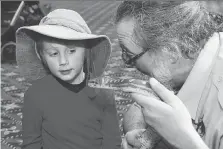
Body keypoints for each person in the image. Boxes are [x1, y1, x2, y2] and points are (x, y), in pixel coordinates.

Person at [115, 1, 223, 149]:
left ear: (172, 51)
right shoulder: (174, 72)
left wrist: (183, 139)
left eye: (130, 55)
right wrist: (139, 133)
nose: (126, 63)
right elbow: (138, 108)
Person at [16, 9, 122, 149]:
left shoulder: (103, 92)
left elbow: (112, 142)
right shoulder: (35, 94)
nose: (63, 61)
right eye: (53, 53)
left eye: (71, 51)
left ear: (86, 50)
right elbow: (31, 143)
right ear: (42, 56)